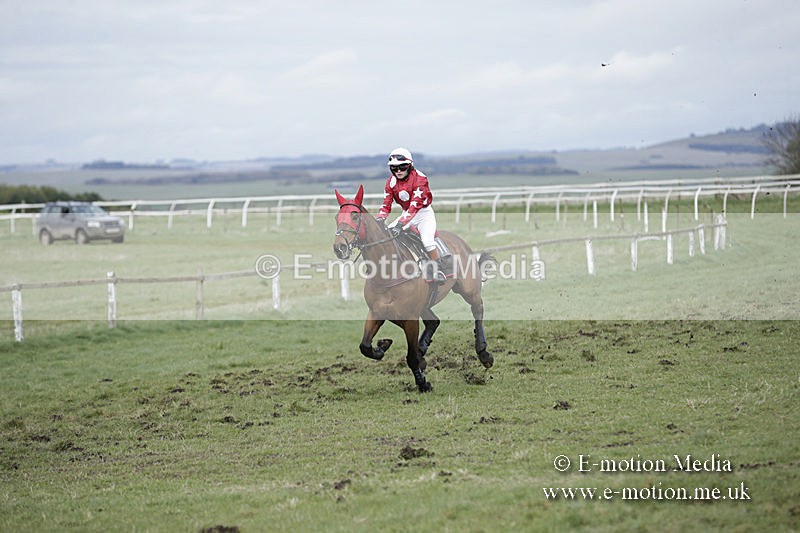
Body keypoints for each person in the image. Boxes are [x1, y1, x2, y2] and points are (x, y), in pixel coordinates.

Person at [375, 147, 447, 284]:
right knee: (386, 237)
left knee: (427, 241)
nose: (398, 171)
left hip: (423, 214)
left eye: (402, 167)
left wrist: (401, 224)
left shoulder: (420, 179)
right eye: (394, 168)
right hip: (406, 214)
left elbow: (415, 206)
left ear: (410, 165)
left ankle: (438, 270)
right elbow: (386, 205)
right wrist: (379, 219)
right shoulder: (390, 182)